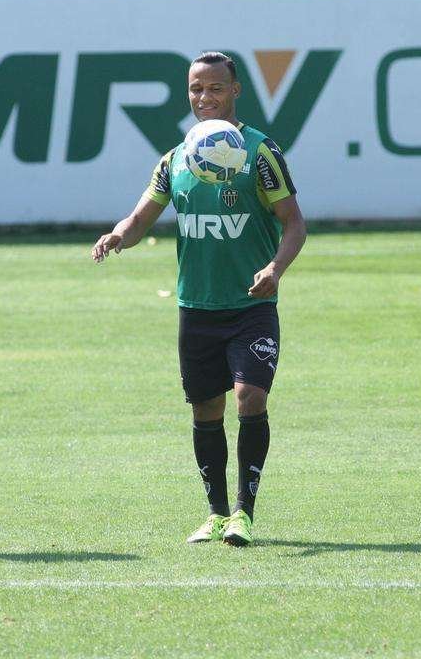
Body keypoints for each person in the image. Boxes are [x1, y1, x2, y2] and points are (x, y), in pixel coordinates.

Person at [92, 51, 307, 547]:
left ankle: (243, 513)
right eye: (195, 89)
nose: (204, 97)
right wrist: (119, 234)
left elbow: (294, 223)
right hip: (197, 310)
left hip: (251, 307)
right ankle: (214, 514)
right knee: (205, 412)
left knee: (249, 398)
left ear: (236, 92)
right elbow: (142, 216)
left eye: (215, 88)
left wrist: (275, 268)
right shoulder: (176, 158)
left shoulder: (260, 153)